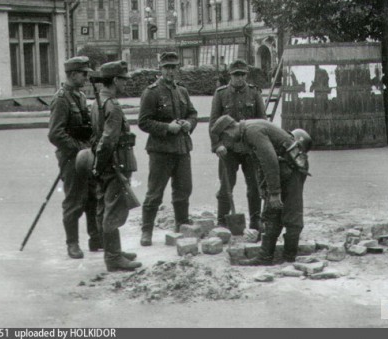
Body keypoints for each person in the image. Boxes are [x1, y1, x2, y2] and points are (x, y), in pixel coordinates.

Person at [211, 115, 312, 265]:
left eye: (225, 141)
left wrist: (275, 193)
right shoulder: (246, 132)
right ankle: (265, 257)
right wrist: (267, 190)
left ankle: (289, 258)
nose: (228, 145)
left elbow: (270, 161)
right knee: (271, 212)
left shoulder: (252, 132)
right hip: (282, 170)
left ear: (228, 132)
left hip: (292, 170)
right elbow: (261, 165)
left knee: (292, 213)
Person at [138, 52, 198, 246]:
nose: (171, 71)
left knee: (183, 189)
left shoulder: (182, 91)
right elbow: (143, 122)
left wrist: (189, 123)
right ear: (160, 69)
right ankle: (146, 231)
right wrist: (166, 128)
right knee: (155, 192)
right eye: (167, 67)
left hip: (181, 148)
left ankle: (181, 224)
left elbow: (192, 113)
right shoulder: (152, 92)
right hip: (161, 150)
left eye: (174, 67)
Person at [90, 61, 142, 272]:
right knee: (113, 210)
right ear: (115, 80)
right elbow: (109, 139)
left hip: (105, 164)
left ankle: (114, 251)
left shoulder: (98, 101)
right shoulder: (112, 105)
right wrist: (103, 165)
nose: (125, 83)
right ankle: (113, 257)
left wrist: (97, 166)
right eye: (123, 79)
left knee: (105, 207)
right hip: (115, 164)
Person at [47, 56, 100, 259]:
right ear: (72, 74)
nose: (86, 77)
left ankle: (95, 239)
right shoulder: (61, 99)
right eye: (84, 73)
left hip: (86, 155)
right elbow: (55, 134)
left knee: (92, 197)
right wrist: (78, 149)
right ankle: (72, 243)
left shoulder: (79, 96)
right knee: (74, 200)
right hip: (71, 158)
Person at [209, 59, 267, 230]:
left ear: (246, 75)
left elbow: (262, 122)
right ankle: (222, 220)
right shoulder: (220, 94)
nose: (239, 78)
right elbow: (213, 124)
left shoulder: (255, 93)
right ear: (230, 76)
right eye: (236, 75)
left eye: (242, 74)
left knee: (254, 186)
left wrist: (260, 147)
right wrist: (217, 145)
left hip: (250, 149)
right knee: (226, 186)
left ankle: (255, 220)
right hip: (228, 150)